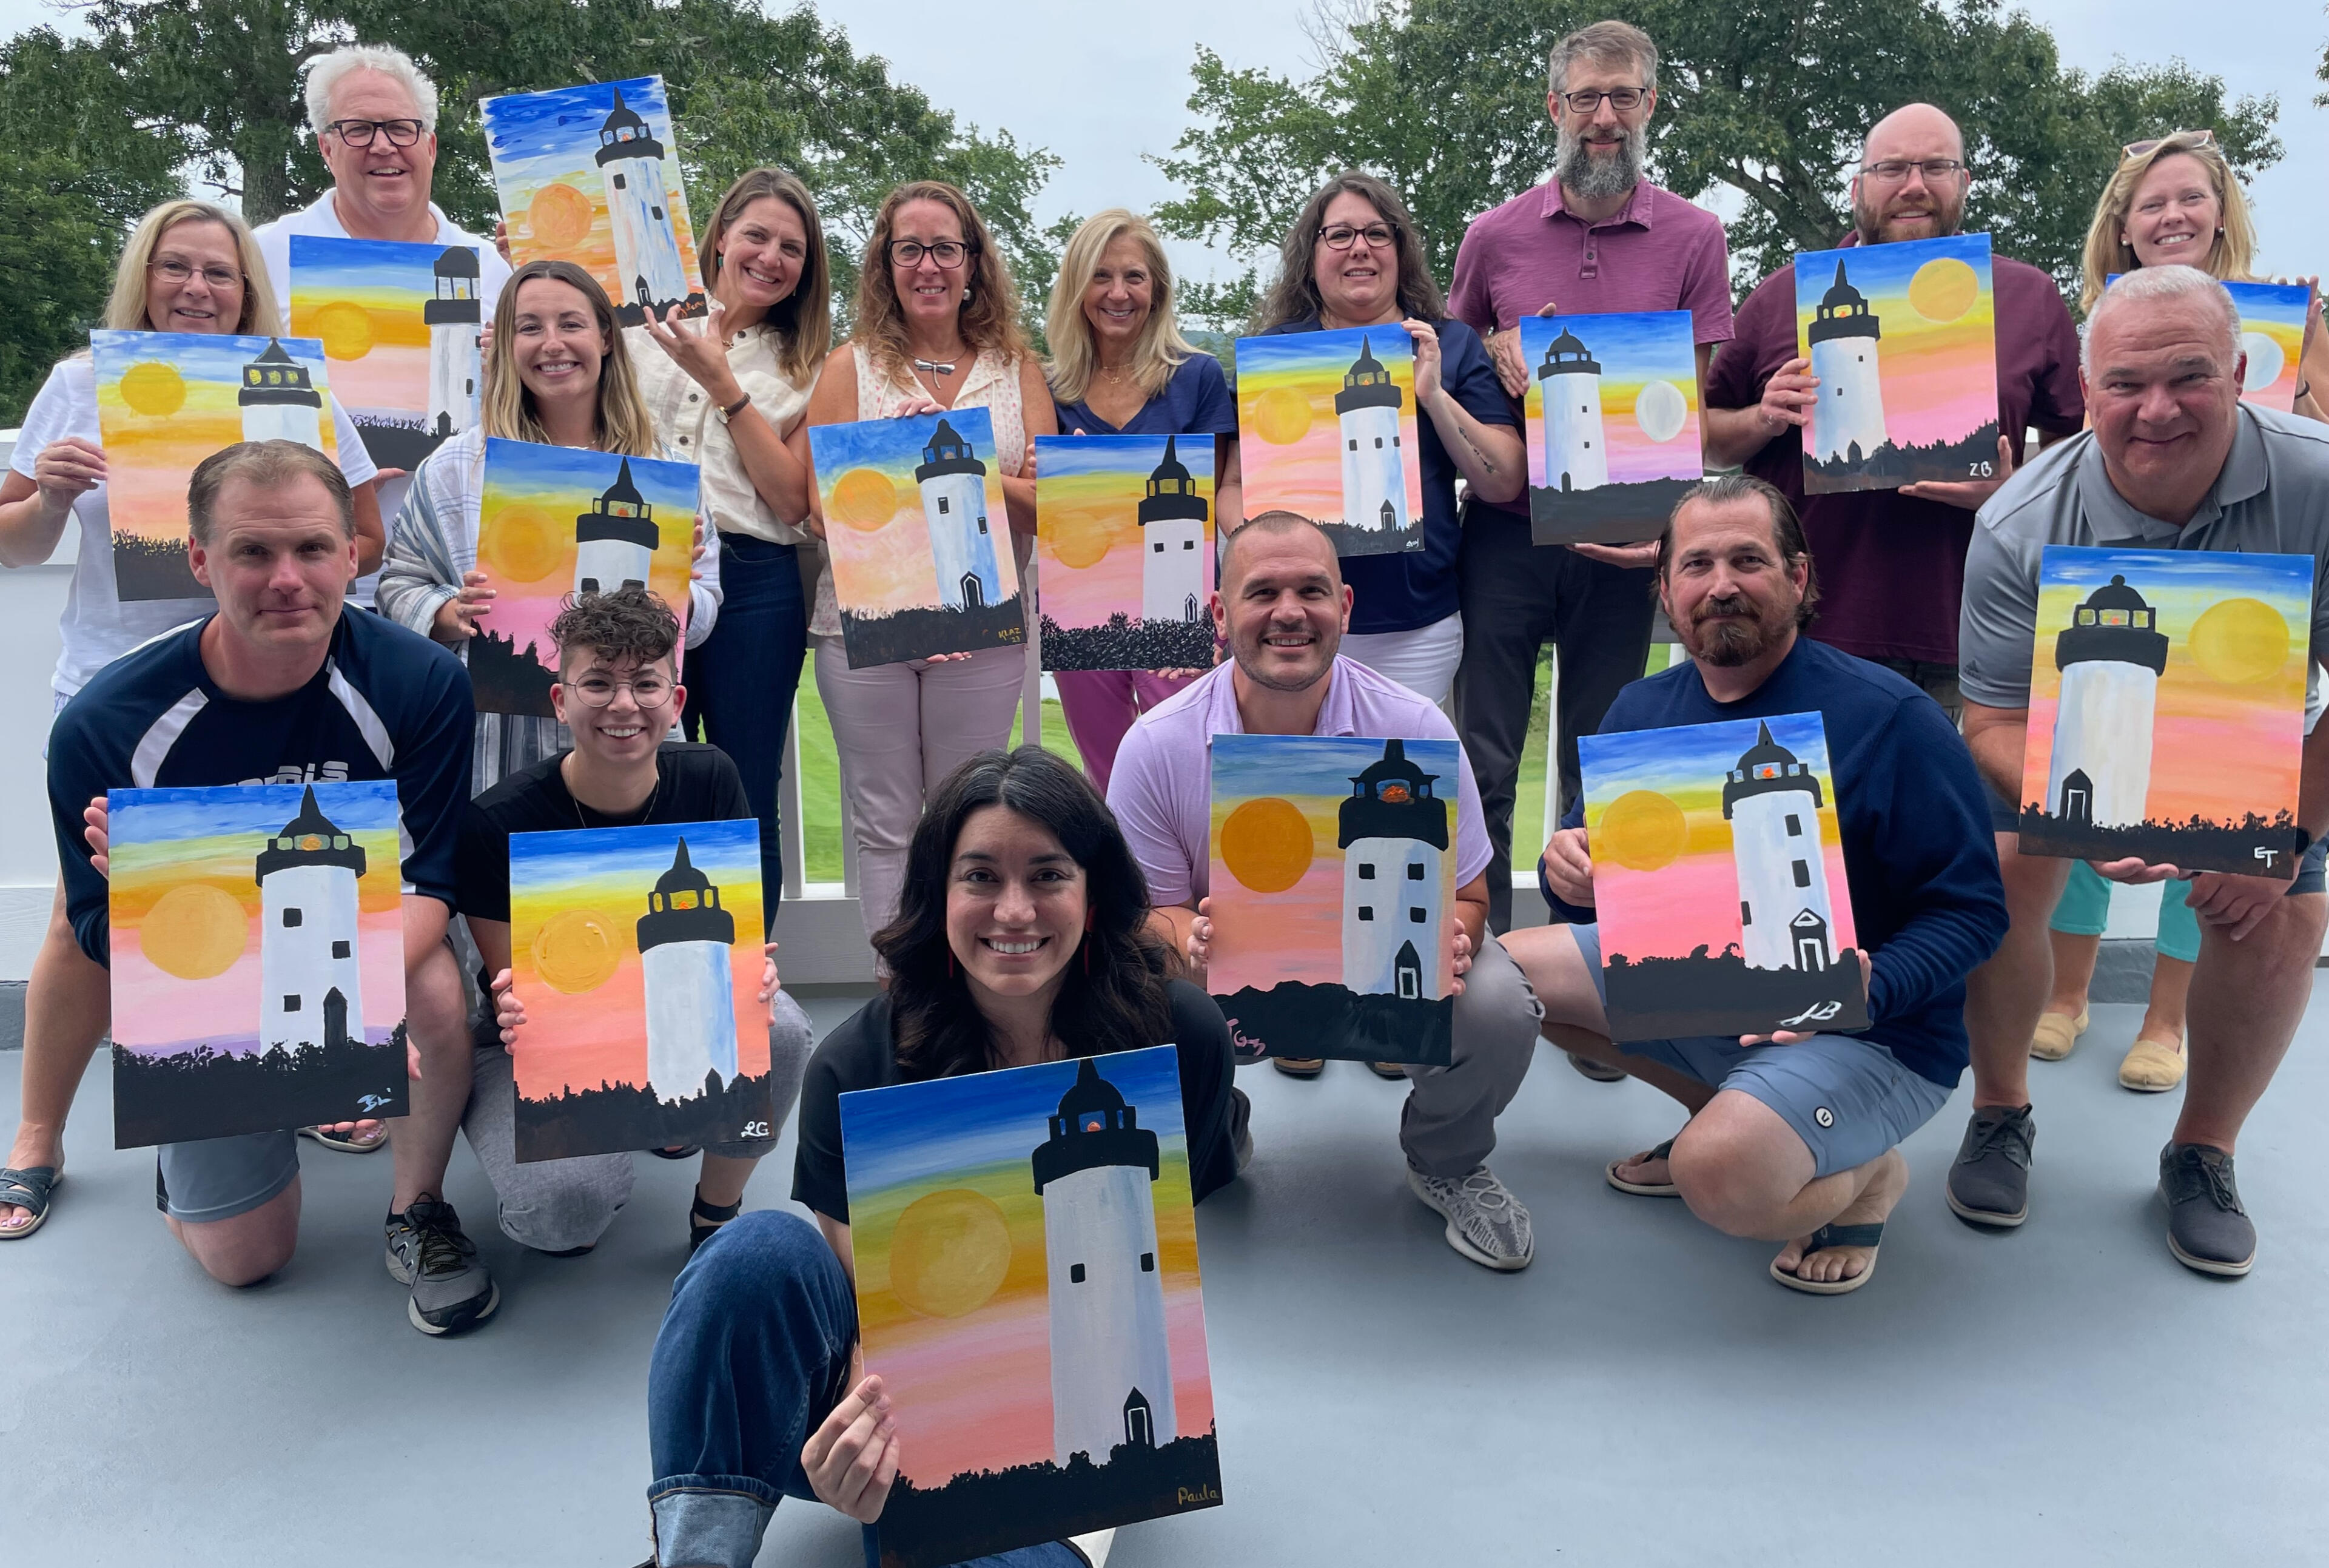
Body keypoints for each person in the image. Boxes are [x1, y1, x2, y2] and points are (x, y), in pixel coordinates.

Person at [640, 745, 1238, 1568]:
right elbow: (869, 1289)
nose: (1015, 911)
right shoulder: (859, 1061)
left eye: (1049, 874)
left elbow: (1165, 1255)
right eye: (981, 876)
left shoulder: (1180, 1039)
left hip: (1072, 1418)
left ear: (1093, 891)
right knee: (753, 1253)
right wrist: (879, 1428)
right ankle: (696, 1554)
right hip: (877, 1397)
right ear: (938, 893)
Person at [1506, 476, 2008, 1293]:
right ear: (1666, 589)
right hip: (1707, 988)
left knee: (1721, 1179)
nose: (1722, 585)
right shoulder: (1641, 709)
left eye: (1748, 560)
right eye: (1696, 565)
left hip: (1872, 1029)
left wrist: (1877, 984)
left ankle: (1868, 1177)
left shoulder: (1891, 717)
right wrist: (1569, 873)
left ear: (1798, 577)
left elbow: (1975, 909)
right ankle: (1727, 1111)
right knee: (1508, 980)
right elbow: (1595, 882)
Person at [35, 440, 492, 1333]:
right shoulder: (107, 722)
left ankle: (418, 1208)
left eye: (312, 548)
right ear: (199, 559)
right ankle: (194, 1158)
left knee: (436, 989)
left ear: (352, 556)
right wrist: (154, 909)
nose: (287, 579)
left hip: (346, 950)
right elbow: (91, 929)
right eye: (252, 551)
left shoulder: (420, 682)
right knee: (246, 1260)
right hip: (206, 984)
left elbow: (430, 881)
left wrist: (335, 1006)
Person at [0, 200, 386, 1236]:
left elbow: (367, 537)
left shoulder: (296, 386)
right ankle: (37, 1134)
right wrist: (48, 499)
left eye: (220, 271)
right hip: (118, 683)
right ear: (145, 275)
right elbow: (12, 540)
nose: (198, 289)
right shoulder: (81, 384)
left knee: (286, 889)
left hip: (276, 681)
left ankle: (302, 1082)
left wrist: (311, 545)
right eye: (177, 267)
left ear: (247, 287)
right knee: (83, 915)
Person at [1951, 267, 2329, 1276]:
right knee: (1993, 878)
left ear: (2239, 374)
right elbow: (1992, 719)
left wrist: (2287, 836)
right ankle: (1999, 1109)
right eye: (2126, 383)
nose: (2156, 409)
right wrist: (2088, 820)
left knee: (2283, 915)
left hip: (2263, 743)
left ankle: (2204, 1150)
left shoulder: (2321, 484)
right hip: (2062, 744)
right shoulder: (2018, 521)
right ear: (2087, 391)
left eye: (2189, 376)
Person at [1109, 512, 1545, 1269]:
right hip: (1225, 974)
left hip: (1389, 964)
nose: (1289, 611)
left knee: (1500, 1002)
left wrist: (1458, 934)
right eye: (1262, 592)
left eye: (1311, 590)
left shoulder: (1415, 725)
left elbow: (1471, 892)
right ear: (1220, 614)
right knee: (1124, 993)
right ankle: (1215, 1115)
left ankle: (1444, 1159)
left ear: (1344, 605)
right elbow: (1143, 913)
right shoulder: (1156, 743)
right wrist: (1188, 936)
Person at [2035, 129, 2329, 1086]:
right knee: (2089, 803)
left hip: (2250, 617)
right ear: (2122, 224)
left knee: (2216, 818)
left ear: (2221, 212)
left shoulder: (2291, 317)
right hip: (2114, 585)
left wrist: (2301, 387)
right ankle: (2067, 993)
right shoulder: (2093, 322)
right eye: (2151, 202)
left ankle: (2166, 1020)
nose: (2172, 215)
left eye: (2190, 197)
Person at [1446, 18, 1735, 934]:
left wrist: (1668, 531)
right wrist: (1493, 343)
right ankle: (1484, 956)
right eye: (1585, 97)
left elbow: (1694, 396)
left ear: (1650, 105)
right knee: (1484, 757)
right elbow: (1454, 354)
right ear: (1554, 107)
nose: (1603, 116)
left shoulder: (1697, 236)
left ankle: (1594, 961)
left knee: (1605, 761)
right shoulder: (1492, 237)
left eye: (1622, 96)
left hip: (1628, 541)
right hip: (1507, 533)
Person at [1703, 102, 2085, 721]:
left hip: (1975, 628)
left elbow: (2077, 450)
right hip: (1812, 630)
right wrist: (1764, 417)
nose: (1914, 185)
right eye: (1892, 168)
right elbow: (1709, 439)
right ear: (1858, 187)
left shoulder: (2030, 296)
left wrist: (2015, 491)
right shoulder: (1782, 295)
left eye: (1936, 166)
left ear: (1964, 183)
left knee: (1964, 790)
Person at [465, 589, 813, 1257]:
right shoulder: (497, 821)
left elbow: (738, 940)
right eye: (598, 682)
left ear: (676, 702)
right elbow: (515, 982)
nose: (623, 704)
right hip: (543, 1039)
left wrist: (753, 970)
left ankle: (717, 1207)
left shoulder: (710, 778)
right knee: (563, 1218)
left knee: (784, 1026)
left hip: (679, 1005)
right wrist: (510, 1001)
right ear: (560, 700)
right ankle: (619, 1141)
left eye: (646, 684)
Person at [788, 180, 1059, 941]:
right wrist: (905, 461)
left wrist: (962, 458)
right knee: (883, 825)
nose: (928, 265)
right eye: (909, 249)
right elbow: (820, 506)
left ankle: (963, 983)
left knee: (967, 818)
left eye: (945, 248)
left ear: (973, 262)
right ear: (886, 264)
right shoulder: (851, 367)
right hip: (865, 628)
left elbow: (1049, 504)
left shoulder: (1016, 369)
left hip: (980, 627)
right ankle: (900, 988)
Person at [376, 258, 722, 795]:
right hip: (498, 740)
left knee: (622, 847)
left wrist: (679, 589)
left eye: (571, 323)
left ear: (605, 338)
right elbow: (398, 584)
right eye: (530, 327)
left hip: (629, 730)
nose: (552, 343)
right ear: (506, 345)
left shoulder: (663, 470)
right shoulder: (456, 467)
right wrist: (450, 613)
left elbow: (705, 609)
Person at [1248, 172, 1523, 708]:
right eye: (1339, 235)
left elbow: (1504, 479)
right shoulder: (1276, 355)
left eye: (1377, 233)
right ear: (1312, 254)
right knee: (1303, 758)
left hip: (1417, 625)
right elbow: (1236, 482)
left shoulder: (1449, 343)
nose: (1360, 248)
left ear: (1400, 250)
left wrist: (1434, 396)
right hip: (1294, 619)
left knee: (1400, 761)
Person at [252, 42, 513, 604]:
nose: (383, 145)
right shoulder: (261, 256)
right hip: (304, 584)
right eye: (358, 129)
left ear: (430, 145)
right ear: (326, 148)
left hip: (457, 584)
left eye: (400, 127)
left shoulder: (494, 269)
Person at [634, 167, 828, 916]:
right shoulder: (638, 323)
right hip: (641, 564)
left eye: (792, 248)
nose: (771, 257)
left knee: (746, 789)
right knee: (634, 770)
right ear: (720, 237)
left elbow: (792, 499)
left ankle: (751, 971)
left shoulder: (807, 364)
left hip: (754, 582)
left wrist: (726, 386)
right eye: (757, 235)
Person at [1044, 208, 1241, 795]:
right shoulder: (1051, 388)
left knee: (1192, 765)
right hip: (1082, 607)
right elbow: (1040, 500)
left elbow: (1215, 493)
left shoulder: (1198, 376)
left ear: (1157, 288)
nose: (1118, 293)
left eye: (1134, 276)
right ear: (1077, 288)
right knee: (1106, 772)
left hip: (1180, 604)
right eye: (1101, 276)